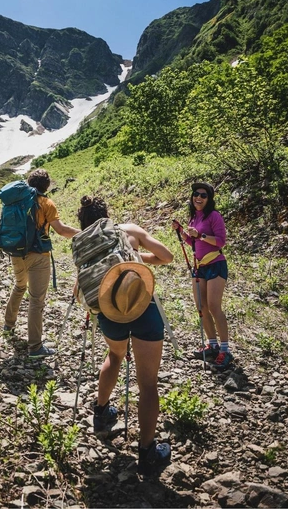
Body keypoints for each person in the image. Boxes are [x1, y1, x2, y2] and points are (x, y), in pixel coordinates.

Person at [77, 195, 173, 475]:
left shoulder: (84, 244)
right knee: (148, 382)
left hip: (109, 313)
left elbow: (80, 290)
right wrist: (135, 258)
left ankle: (101, 413)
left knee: (115, 356)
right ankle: (146, 451)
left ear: (83, 223)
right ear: (107, 215)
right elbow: (166, 257)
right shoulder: (128, 230)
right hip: (142, 306)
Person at [3, 168, 79, 358]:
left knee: (20, 286)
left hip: (16, 251)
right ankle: (35, 347)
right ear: (46, 186)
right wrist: (84, 233)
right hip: (38, 255)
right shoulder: (46, 203)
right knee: (36, 301)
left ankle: (8, 325)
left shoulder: (16, 201)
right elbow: (61, 230)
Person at [171, 182, 232, 371]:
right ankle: (212, 344)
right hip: (200, 267)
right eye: (196, 194)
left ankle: (225, 349)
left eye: (203, 195)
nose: (198, 197)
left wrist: (201, 235)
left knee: (214, 306)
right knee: (201, 307)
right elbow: (193, 242)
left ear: (209, 199)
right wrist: (182, 231)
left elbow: (221, 241)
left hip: (215, 263)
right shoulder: (193, 218)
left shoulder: (214, 216)